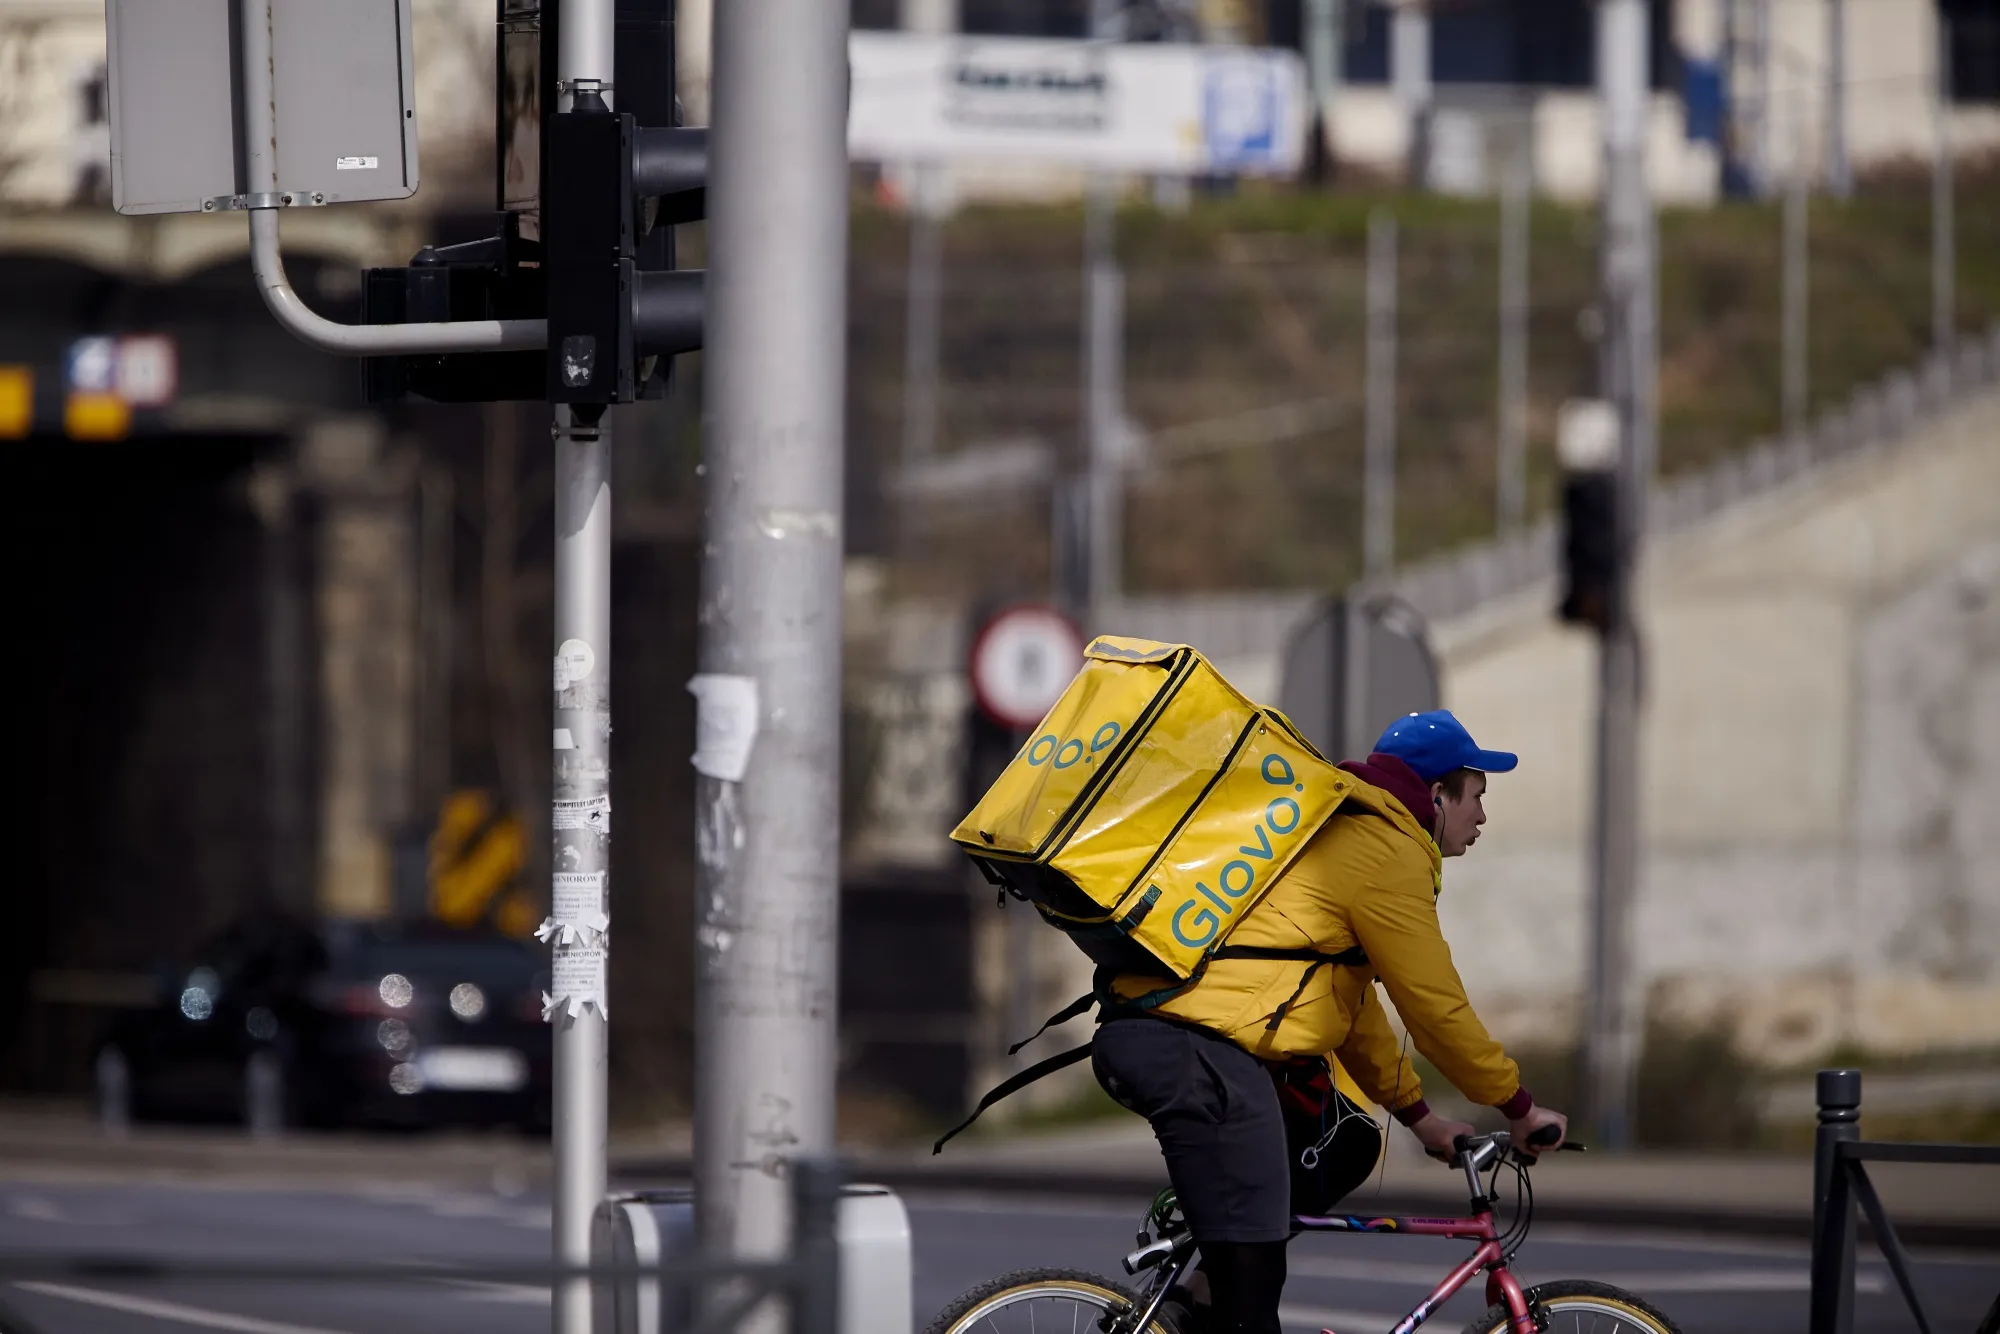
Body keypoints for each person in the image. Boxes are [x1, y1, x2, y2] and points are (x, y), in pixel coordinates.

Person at [1091, 710, 1568, 1334]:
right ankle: (1201, 1294)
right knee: (1253, 1278)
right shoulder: (1385, 850)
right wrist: (1517, 1106)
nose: (1482, 816)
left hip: (1182, 1040)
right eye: (1476, 795)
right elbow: (1435, 1008)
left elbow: (1347, 1005)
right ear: (1437, 795)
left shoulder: (1350, 830)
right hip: (1196, 1050)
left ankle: (1192, 1298)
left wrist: (1419, 1118)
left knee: (1345, 1142)